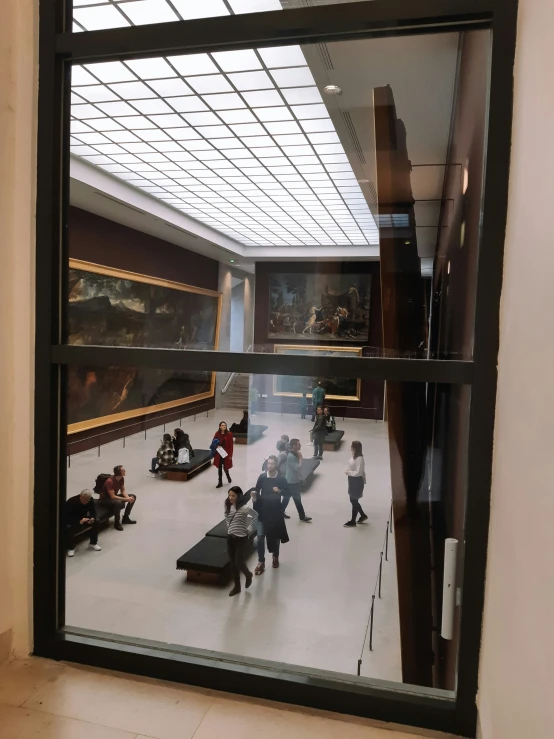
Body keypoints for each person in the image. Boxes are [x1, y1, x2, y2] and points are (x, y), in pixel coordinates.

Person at [252, 455, 290, 574]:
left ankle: (275, 556)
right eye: (268, 463)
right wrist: (254, 496)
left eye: (272, 464)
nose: (269, 466)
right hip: (262, 511)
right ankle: (261, 562)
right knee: (260, 537)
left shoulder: (281, 479)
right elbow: (257, 491)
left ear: (276, 465)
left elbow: (288, 493)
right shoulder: (262, 477)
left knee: (275, 536)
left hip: (274, 513)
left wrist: (279, 491)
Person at [224, 486, 257, 597]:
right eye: (229, 495)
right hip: (230, 538)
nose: (231, 498)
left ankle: (248, 575)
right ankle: (237, 587)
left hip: (241, 538)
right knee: (232, 564)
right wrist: (230, 528)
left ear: (239, 496)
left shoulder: (244, 508)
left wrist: (249, 529)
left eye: (233, 495)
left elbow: (255, 516)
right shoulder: (227, 505)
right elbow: (226, 517)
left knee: (239, 562)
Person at [99, 465, 137, 531]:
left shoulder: (121, 478)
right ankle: (117, 523)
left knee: (133, 496)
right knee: (118, 502)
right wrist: (126, 499)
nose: (125, 471)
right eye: (123, 470)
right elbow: (112, 496)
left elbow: (123, 490)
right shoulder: (109, 481)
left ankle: (126, 517)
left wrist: (128, 498)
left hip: (113, 497)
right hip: (105, 500)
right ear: (119, 472)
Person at [65, 489, 102, 557]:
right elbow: (67, 516)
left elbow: (93, 511)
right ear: (81, 496)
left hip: (83, 518)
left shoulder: (90, 500)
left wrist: (92, 518)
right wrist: (79, 522)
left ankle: (93, 543)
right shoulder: (71, 502)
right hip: (71, 520)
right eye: (85, 500)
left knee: (96, 521)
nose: (86, 502)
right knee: (69, 528)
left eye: (88, 500)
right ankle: (71, 548)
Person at [283, 438, 312, 523]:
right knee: (297, 499)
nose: (300, 445)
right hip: (292, 482)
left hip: (291, 480)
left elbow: (297, 471)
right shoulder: (291, 456)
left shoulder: (294, 454)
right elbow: (298, 468)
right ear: (294, 446)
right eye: (298, 444)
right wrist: (300, 458)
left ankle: (279, 512)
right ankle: (302, 517)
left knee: (286, 498)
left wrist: (302, 478)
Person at [344, 440, 368, 527]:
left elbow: (359, 472)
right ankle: (362, 515)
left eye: (352, 446)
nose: (350, 447)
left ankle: (353, 520)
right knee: (353, 500)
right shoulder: (354, 456)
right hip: (352, 480)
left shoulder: (359, 459)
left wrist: (349, 472)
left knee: (353, 500)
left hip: (357, 482)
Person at [213, 421, 233, 488]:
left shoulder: (229, 434)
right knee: (219, 468)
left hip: (226, 453)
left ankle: (228, 476)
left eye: (225, 425)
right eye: (222, 425)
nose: (224, 426)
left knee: (225, 467)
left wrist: (230, 455)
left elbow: (231, 445)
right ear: (220, 426)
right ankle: (220, 482)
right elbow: (214, 442)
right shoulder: (217, 433)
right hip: (219, 452)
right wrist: (217, 446)